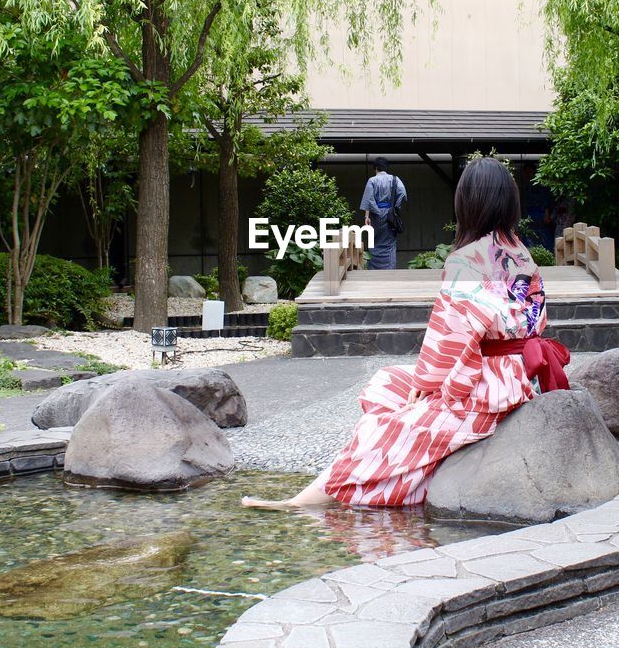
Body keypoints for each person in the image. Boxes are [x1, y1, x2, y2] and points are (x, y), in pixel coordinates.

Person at [242, 157, 570, 510]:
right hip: (521, 374)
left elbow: (452, 337)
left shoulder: (467, 259)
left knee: (393, 421)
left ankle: (318, 495)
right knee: (388, 381)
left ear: (467, 203)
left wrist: (429, 383)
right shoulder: (521, 254)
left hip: (489, 384)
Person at [359, 157, 408, 270]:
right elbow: (402, 194)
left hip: (376, 215)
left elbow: (369, 199)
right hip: (390, 215)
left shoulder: (372, 180)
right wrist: (395, 207)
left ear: (375, 168)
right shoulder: (395, 179)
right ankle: (390, 269)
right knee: (390, 243)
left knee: (374, 241)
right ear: (386, 168)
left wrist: (368, 215)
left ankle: (374, 269)